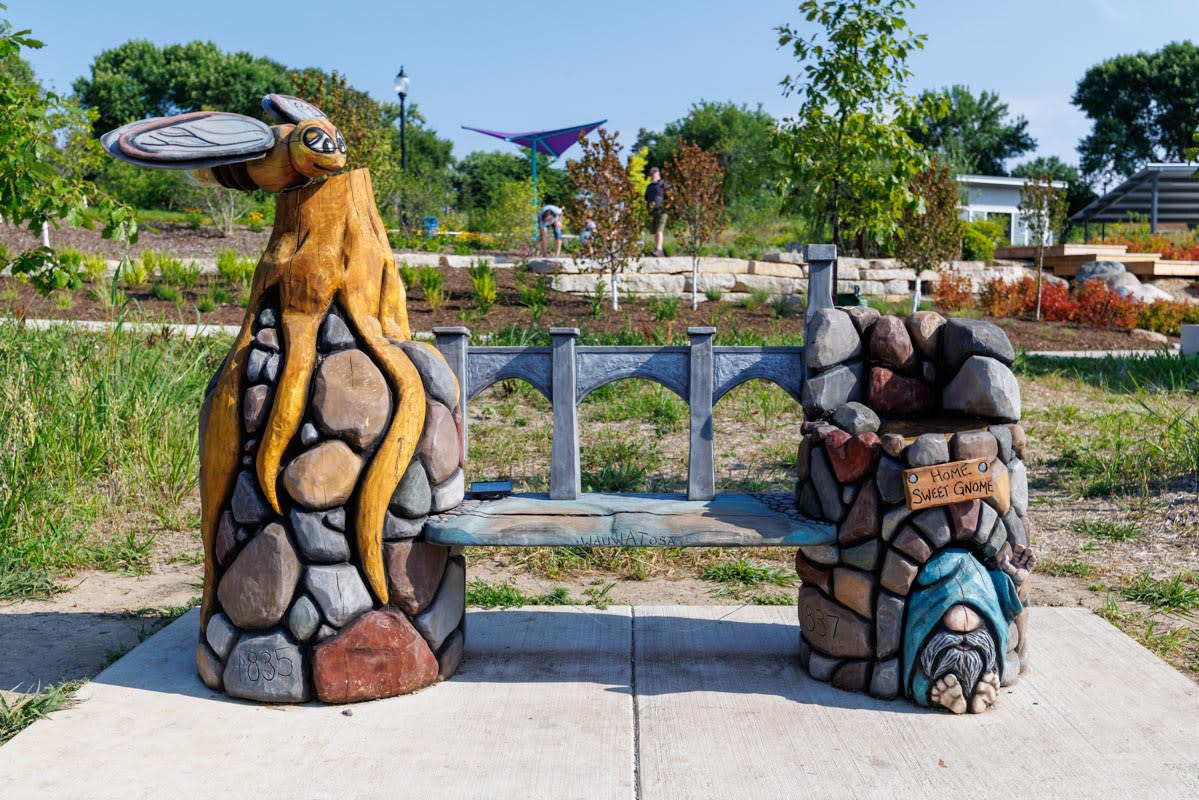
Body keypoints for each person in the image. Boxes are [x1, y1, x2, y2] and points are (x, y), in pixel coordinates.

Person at [644, 166, 666, 256]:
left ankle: (659, 249)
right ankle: (657, 249)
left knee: (659, 230)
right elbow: (646, 198)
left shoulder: (663, 184)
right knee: (654, 231)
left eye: (654, 175)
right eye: (651, 175)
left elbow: (671, 195)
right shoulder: (649, 186)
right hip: (652, 211)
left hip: (662, 210)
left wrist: (667, 205)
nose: (652, 177)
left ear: (658, 174)